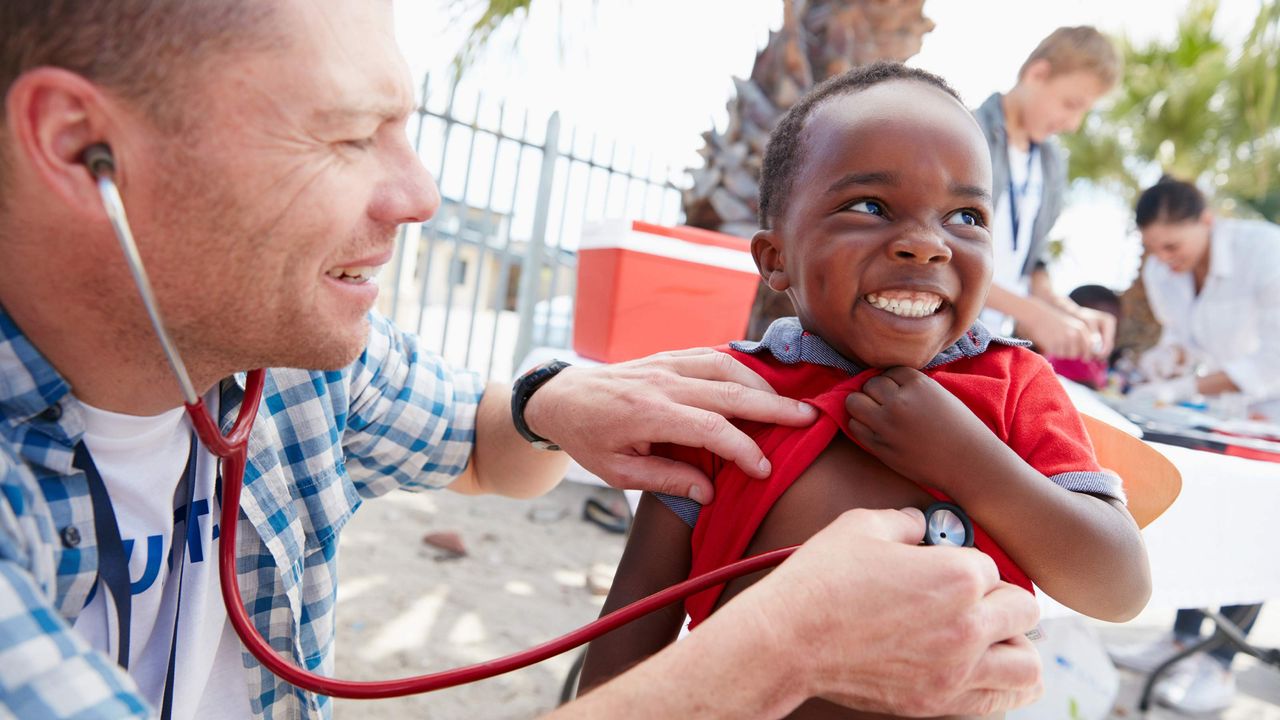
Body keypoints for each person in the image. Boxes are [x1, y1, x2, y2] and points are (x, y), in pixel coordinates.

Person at [0, 1, 1045, 718]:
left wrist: (560, 401)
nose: (419, 195)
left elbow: (494, 448)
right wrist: (776, 656)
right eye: (344, 136)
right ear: (80, 145)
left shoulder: (276, 368)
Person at [577, 63, 1151, 719]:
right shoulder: (727, 400)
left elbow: (1119, 586)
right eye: (869, 207)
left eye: (966, 215)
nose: (925, 245)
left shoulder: (1013, 386)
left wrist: (968, 460)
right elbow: (630, 621)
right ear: (776, 260)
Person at [1110, 175, 1280, 713]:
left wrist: (1189, 386)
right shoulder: (1165, 270)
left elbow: (1272, 359)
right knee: (1205, 506)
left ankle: (1221, 661)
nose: (1163, 259)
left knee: (1261, 519)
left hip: (1272, 409)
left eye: (1173, 246)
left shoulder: (1264, 251)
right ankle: (1182, 637)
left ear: (1207, 221)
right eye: (1153, 248)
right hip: (1229, 415)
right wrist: (1168, 362)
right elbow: (1181, 341)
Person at [973, 26, 1120, 361]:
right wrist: (1032, 313)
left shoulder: (1052, 162)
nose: (1073, 124)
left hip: (992, 344)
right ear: (1037, 74)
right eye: (1071, 104)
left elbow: (1033, 262)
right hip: (944, 338)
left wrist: (1066, 310)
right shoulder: (968, 134)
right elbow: (949, 252)